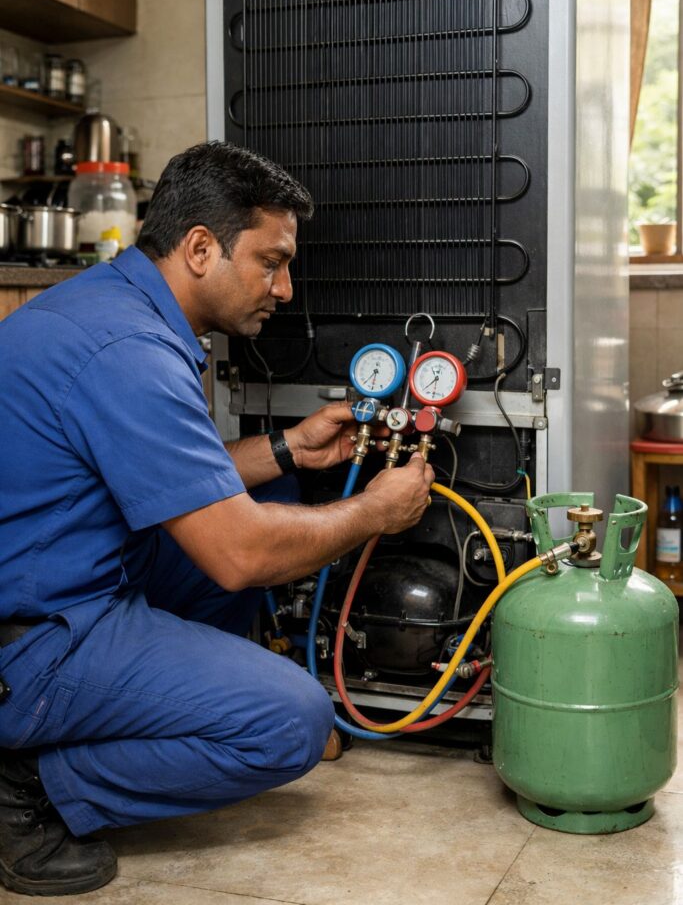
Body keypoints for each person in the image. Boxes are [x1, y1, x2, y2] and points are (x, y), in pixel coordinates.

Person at [0, 141, 434, 897]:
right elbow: (239, 556)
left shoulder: (113, 304)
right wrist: (373, 510)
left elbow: (168, 481)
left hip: (60, 580)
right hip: (30, 642)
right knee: (288, 722)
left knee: (277, 497)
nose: (286, 288)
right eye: (271, 261)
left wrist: (288, 448)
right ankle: (27, 785)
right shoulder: (129, 348)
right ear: (201, 248)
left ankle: (170, 701)